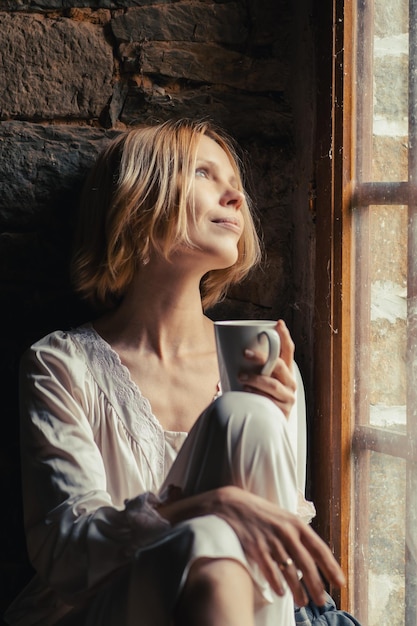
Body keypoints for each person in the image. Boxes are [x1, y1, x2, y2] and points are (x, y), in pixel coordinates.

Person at [5, 119, 345, 626]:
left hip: (246, 609)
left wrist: (279, 419)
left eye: (235, 183)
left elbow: (286, 575)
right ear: (139, 198)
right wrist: (210, 506)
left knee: (245, 414)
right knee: (205, 533)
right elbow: (67, 551)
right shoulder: (61, 365)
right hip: (101, 611)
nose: (235, 196)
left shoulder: (260, 362)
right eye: (204, 173)